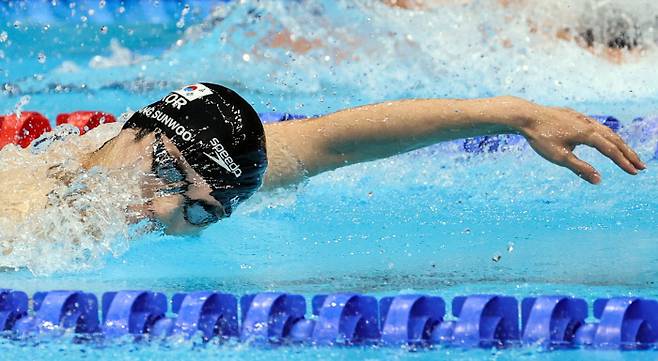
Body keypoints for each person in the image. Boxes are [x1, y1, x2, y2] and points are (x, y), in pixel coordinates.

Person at [81, 82, 645, 235]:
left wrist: (513, 114)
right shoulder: (27, 211)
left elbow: (337, 139)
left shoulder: (216, 172)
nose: (161, 211)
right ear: (135, 126)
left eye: (199, 212)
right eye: (165, 173)